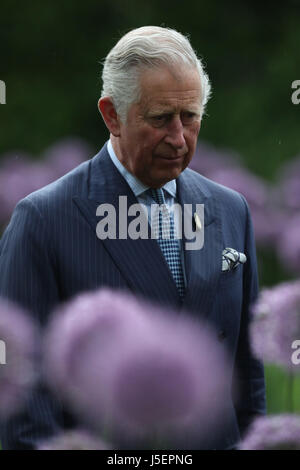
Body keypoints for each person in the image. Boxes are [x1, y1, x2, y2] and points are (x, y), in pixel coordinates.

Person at [0, 26, 266, 449]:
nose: (179, 139)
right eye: (160, 119)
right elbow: (25, 406)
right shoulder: (44, 220)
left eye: (190, 117)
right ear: (112, 115)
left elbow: (251, 380)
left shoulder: (231, 209)